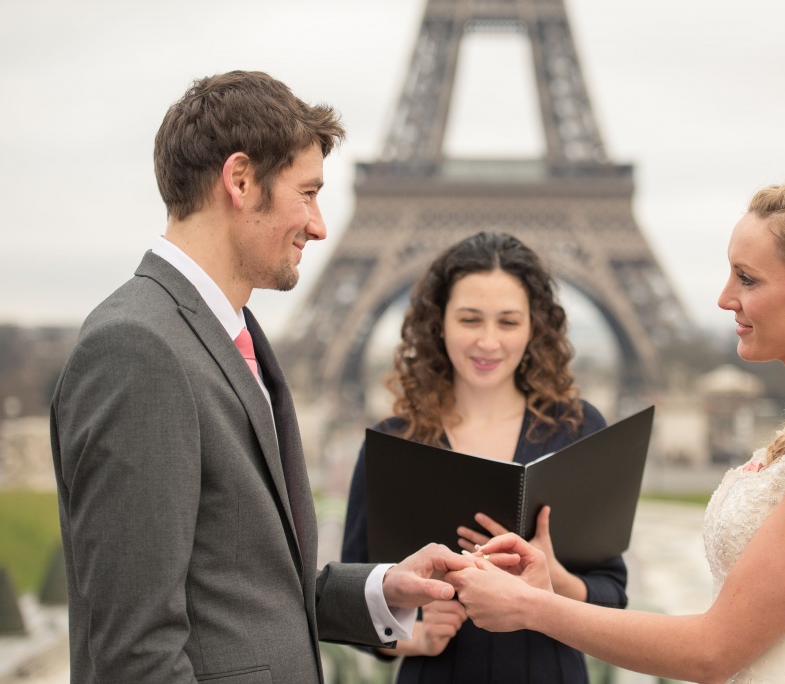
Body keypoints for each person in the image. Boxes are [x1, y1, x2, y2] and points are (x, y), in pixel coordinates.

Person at [49, 70, 474, 684]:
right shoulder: (137, 349)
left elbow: (240, 583)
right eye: (307, 193)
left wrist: (383, 588)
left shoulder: (218, 332)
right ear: (241, 181)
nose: (321, 225)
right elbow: (135, 653)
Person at [447, 177, 785, 683]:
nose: (724, 298)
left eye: (747, 279)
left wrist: (530, 608)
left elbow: (711, 652)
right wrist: (549, 589)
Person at [341, 231, 629, 682]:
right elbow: (352, 600)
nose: (489, 342)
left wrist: (553, 579)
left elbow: (613, 596)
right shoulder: (392, 443)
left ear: (535, 327)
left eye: (509, 322)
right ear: (439, 323)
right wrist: (417, 636)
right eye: (470, 320)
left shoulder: (578, 429)